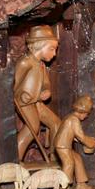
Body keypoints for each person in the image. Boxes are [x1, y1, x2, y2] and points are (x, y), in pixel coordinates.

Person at [13, 25, 61, 161]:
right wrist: (20, 94)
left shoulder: (41, 65)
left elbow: (45, 82)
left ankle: (54, 157)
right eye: (51, 49)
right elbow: (14, 84)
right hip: (25, 103)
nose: (54, 54)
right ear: (39, 46)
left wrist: (46, 90)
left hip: (37, 102)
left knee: (56, 123)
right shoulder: (25, 63)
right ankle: (15, 160)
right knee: (32, 129)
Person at [53, 95, 95, 189]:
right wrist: (91, 143)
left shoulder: (70, 117)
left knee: (77, 158)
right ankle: (64, 187)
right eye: (87, 114)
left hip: (64, 145)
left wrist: (83, 139)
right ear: (82, 112)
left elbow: (71, 133)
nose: (86, 116)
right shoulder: (74, 120)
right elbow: (81, 137)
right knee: (69, 163)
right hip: (63, 146)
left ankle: (81, 183)